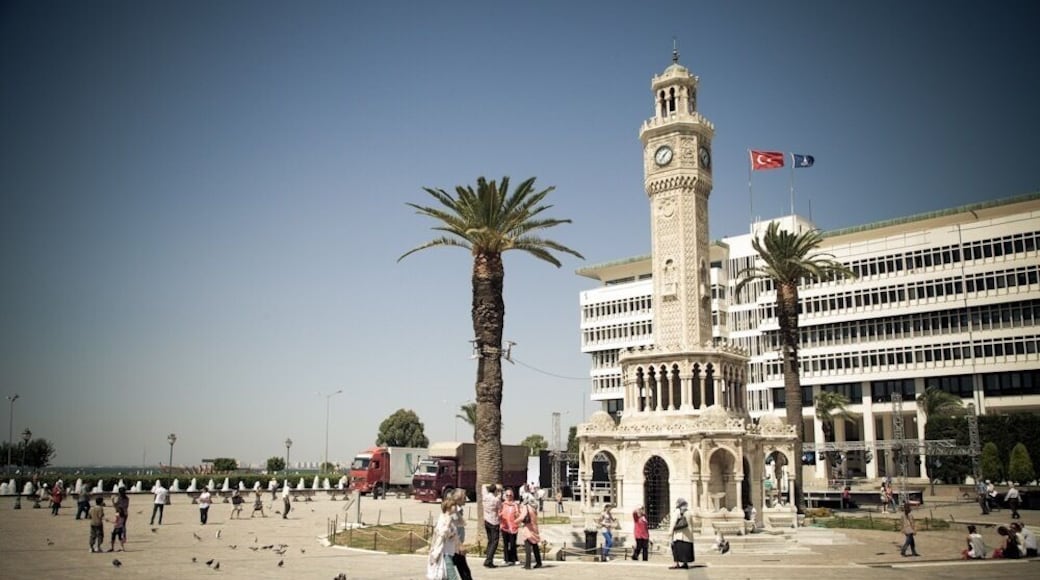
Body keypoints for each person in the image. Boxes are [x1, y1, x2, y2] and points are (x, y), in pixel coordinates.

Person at [426, 498, 459, 580]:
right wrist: (448, 526)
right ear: (448, 507)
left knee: (446, 576)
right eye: (454, 505)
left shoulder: (451, 518)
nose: (455, 507)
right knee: (452, 577)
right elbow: (441, 533)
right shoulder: (443, 518)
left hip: (450, 551)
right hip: (444, 552)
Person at [449, 488, 473, 580]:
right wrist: (459, 545)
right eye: (464, 497)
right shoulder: (453, 510)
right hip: (454, 547)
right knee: (464, 572)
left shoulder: (459, 509)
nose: (465, 499)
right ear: (458, 498)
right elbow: (452, 529)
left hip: (457, 546)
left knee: (464, 571)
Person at [669, 498, 695, 569]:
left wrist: (670, 532)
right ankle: (685, 563)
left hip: (679, 535)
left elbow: (673, 522)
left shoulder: (677, 511)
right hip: (688, 535)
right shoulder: (689, 512)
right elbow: (692, 524)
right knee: (685, 550)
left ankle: (676, 563)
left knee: (676, 549)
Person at [481, 484, 502, 568]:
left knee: (490, 541)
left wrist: (493, 486)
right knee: (494, 542)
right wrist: (499, 491)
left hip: (486, 520)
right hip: (494, 521)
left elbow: (483, 486)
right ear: (495, 491)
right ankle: (489, 560)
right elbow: (500, 507)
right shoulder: (495, 500)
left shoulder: (485, 496)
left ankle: (488, 558)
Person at [518, 496, 542, 569]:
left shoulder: (526, 507)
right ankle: (538, 562)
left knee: (527, 546)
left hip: (528, 528)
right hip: (534, 528)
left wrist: (515, 521)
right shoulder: (534, 507)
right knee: (535, 545)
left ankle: (527, 564)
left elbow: (522, 517)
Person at [499, 488, 520, 566]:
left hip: (513, 527)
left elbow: (518, 514)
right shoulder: (503, 504)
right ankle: (506, 559)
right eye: (507, 495)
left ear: (513, 496)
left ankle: (514, 558)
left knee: (513, 544)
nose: (509, 496)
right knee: (505, 544)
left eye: (510, 495)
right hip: (504, 526)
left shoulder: (515, 505)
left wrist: (517, 513)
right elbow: (499, 513)